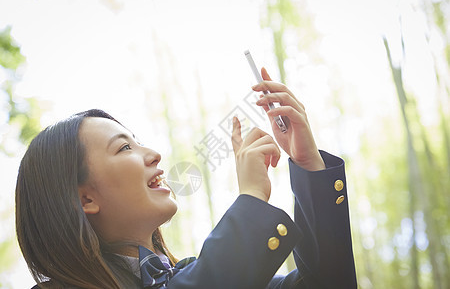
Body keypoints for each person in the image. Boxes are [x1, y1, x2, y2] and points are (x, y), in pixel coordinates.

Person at [16, 68, 357, 288]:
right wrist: (251, 199)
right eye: (123, 148)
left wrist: (308, 164)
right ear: (85, 199)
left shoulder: (188, 275)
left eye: (139, 142)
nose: (152, 154)